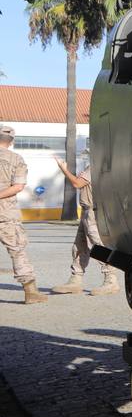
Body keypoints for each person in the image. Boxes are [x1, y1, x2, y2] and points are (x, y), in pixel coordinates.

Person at [51, 152, 119, 296]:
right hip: (87, 211)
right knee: (80, 245)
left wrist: (63, 168)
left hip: (93, 213)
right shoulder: (101, 167)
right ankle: (75, 279)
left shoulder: (94, 167)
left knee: (98, 245)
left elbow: (77, 183)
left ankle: (111, 280)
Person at [0, 126, 45, 304]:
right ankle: (31, 292)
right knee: (17, 250)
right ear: (11, 142)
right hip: (5, 212)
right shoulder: (16, 159)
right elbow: (18, 186)